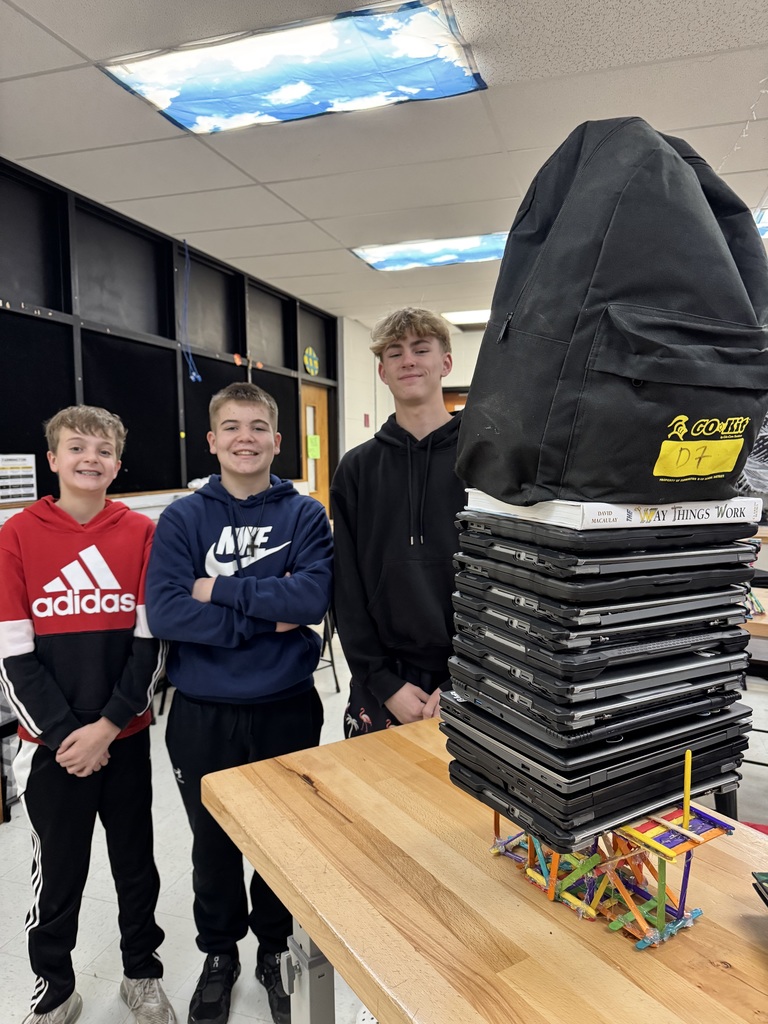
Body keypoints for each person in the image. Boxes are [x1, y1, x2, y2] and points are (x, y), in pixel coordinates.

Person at [145, 382, 332, 1024]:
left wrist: (217, 591)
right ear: (212, 440)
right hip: (201, 711)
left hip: (285, 704)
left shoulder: (303, 515)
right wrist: (259, 610)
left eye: (257, 427)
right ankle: (219, 954)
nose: (244, 438)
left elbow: (309, 602)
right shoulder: (183, 518)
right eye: (231, 427)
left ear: (278, 441)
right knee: (212, 844)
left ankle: (275, 951)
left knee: (285, 840)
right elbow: (167, 610)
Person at [0, 406, 174, 1024]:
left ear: (118, 464)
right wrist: (68, 736)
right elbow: (13, 653)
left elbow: (151, 644)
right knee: (58, 874)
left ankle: (141, 973)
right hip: (51, 746)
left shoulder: (142, 533)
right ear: (52, 459)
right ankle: (54, 987)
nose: (89, 459)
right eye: (76, 448)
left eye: (103, 451)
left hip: (123, 736)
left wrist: (107, 727)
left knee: (135, 863)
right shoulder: (16, 535)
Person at [331, 307, 466, 736]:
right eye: (395, 352)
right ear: (382, 372)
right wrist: (382, 681)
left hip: (475, 678)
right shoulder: (355, 469)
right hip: (381, 683)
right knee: (374, 800)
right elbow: (346, 587)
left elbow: (507, 580)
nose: (408, 360)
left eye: (420, 349)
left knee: (471, 803)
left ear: (445, 363)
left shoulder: (486, 464)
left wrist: (466, 678)